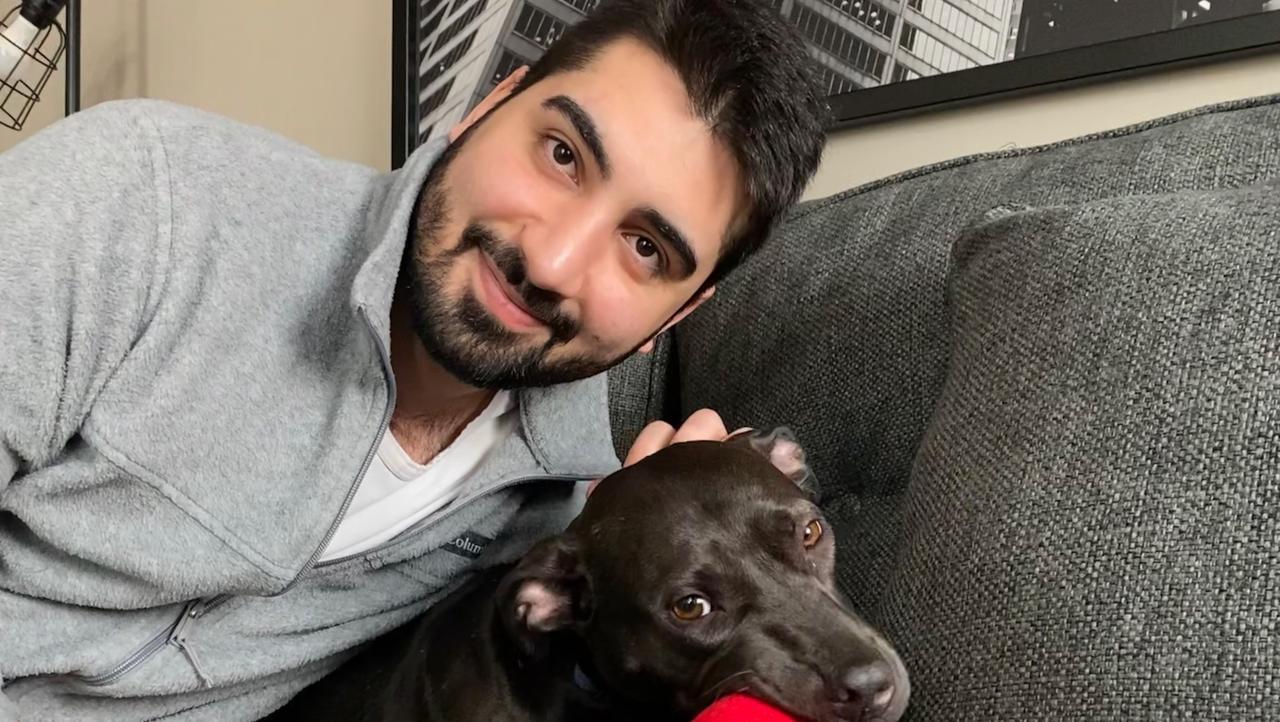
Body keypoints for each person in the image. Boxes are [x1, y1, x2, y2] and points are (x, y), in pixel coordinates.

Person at [0, 0, 827, 718]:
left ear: (675, 316)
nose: (551, 260)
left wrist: (631, 537)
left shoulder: (551, 531)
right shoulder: (146, 200)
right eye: (563, 154)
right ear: (487, 107)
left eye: (645, 247)